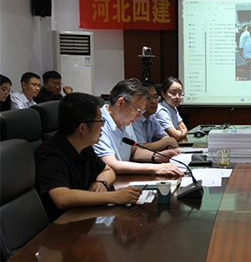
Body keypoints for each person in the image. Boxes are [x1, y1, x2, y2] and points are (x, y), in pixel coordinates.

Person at [35, 92, 143, 222]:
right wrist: (114, 197)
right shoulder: (50, 154)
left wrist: (101, 183)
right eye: (100, 121)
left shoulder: (84, 147)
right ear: (82, 128)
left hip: (85, 217)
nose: (103, 126)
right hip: (63, 226)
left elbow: (107, 170)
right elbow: (62, 198)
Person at [93, 78, 183, 176]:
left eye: (142, 111)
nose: (140, 116)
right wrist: (154, 168)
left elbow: (133, 151)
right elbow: (111, 164)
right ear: (121, 103)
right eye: (138, 110)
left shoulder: (125, 119)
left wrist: (158, 156)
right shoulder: (98, 122)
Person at [132, 81, 178, 151]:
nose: (154, 102)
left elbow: (165, 137)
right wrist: (167, 142)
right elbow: (139, 147)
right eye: (148, 98)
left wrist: (167, 141)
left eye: (155, 97)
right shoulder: (134, 119)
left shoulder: (152, 118)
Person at [156, 77, 189, 141]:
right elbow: (176, 135)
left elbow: (185, 129)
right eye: (173, 93)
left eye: (180, 93)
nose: (177, 97)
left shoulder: (173, 107)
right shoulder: (161, 111)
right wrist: (180, 132)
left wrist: (179, 132)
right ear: (163, 94)